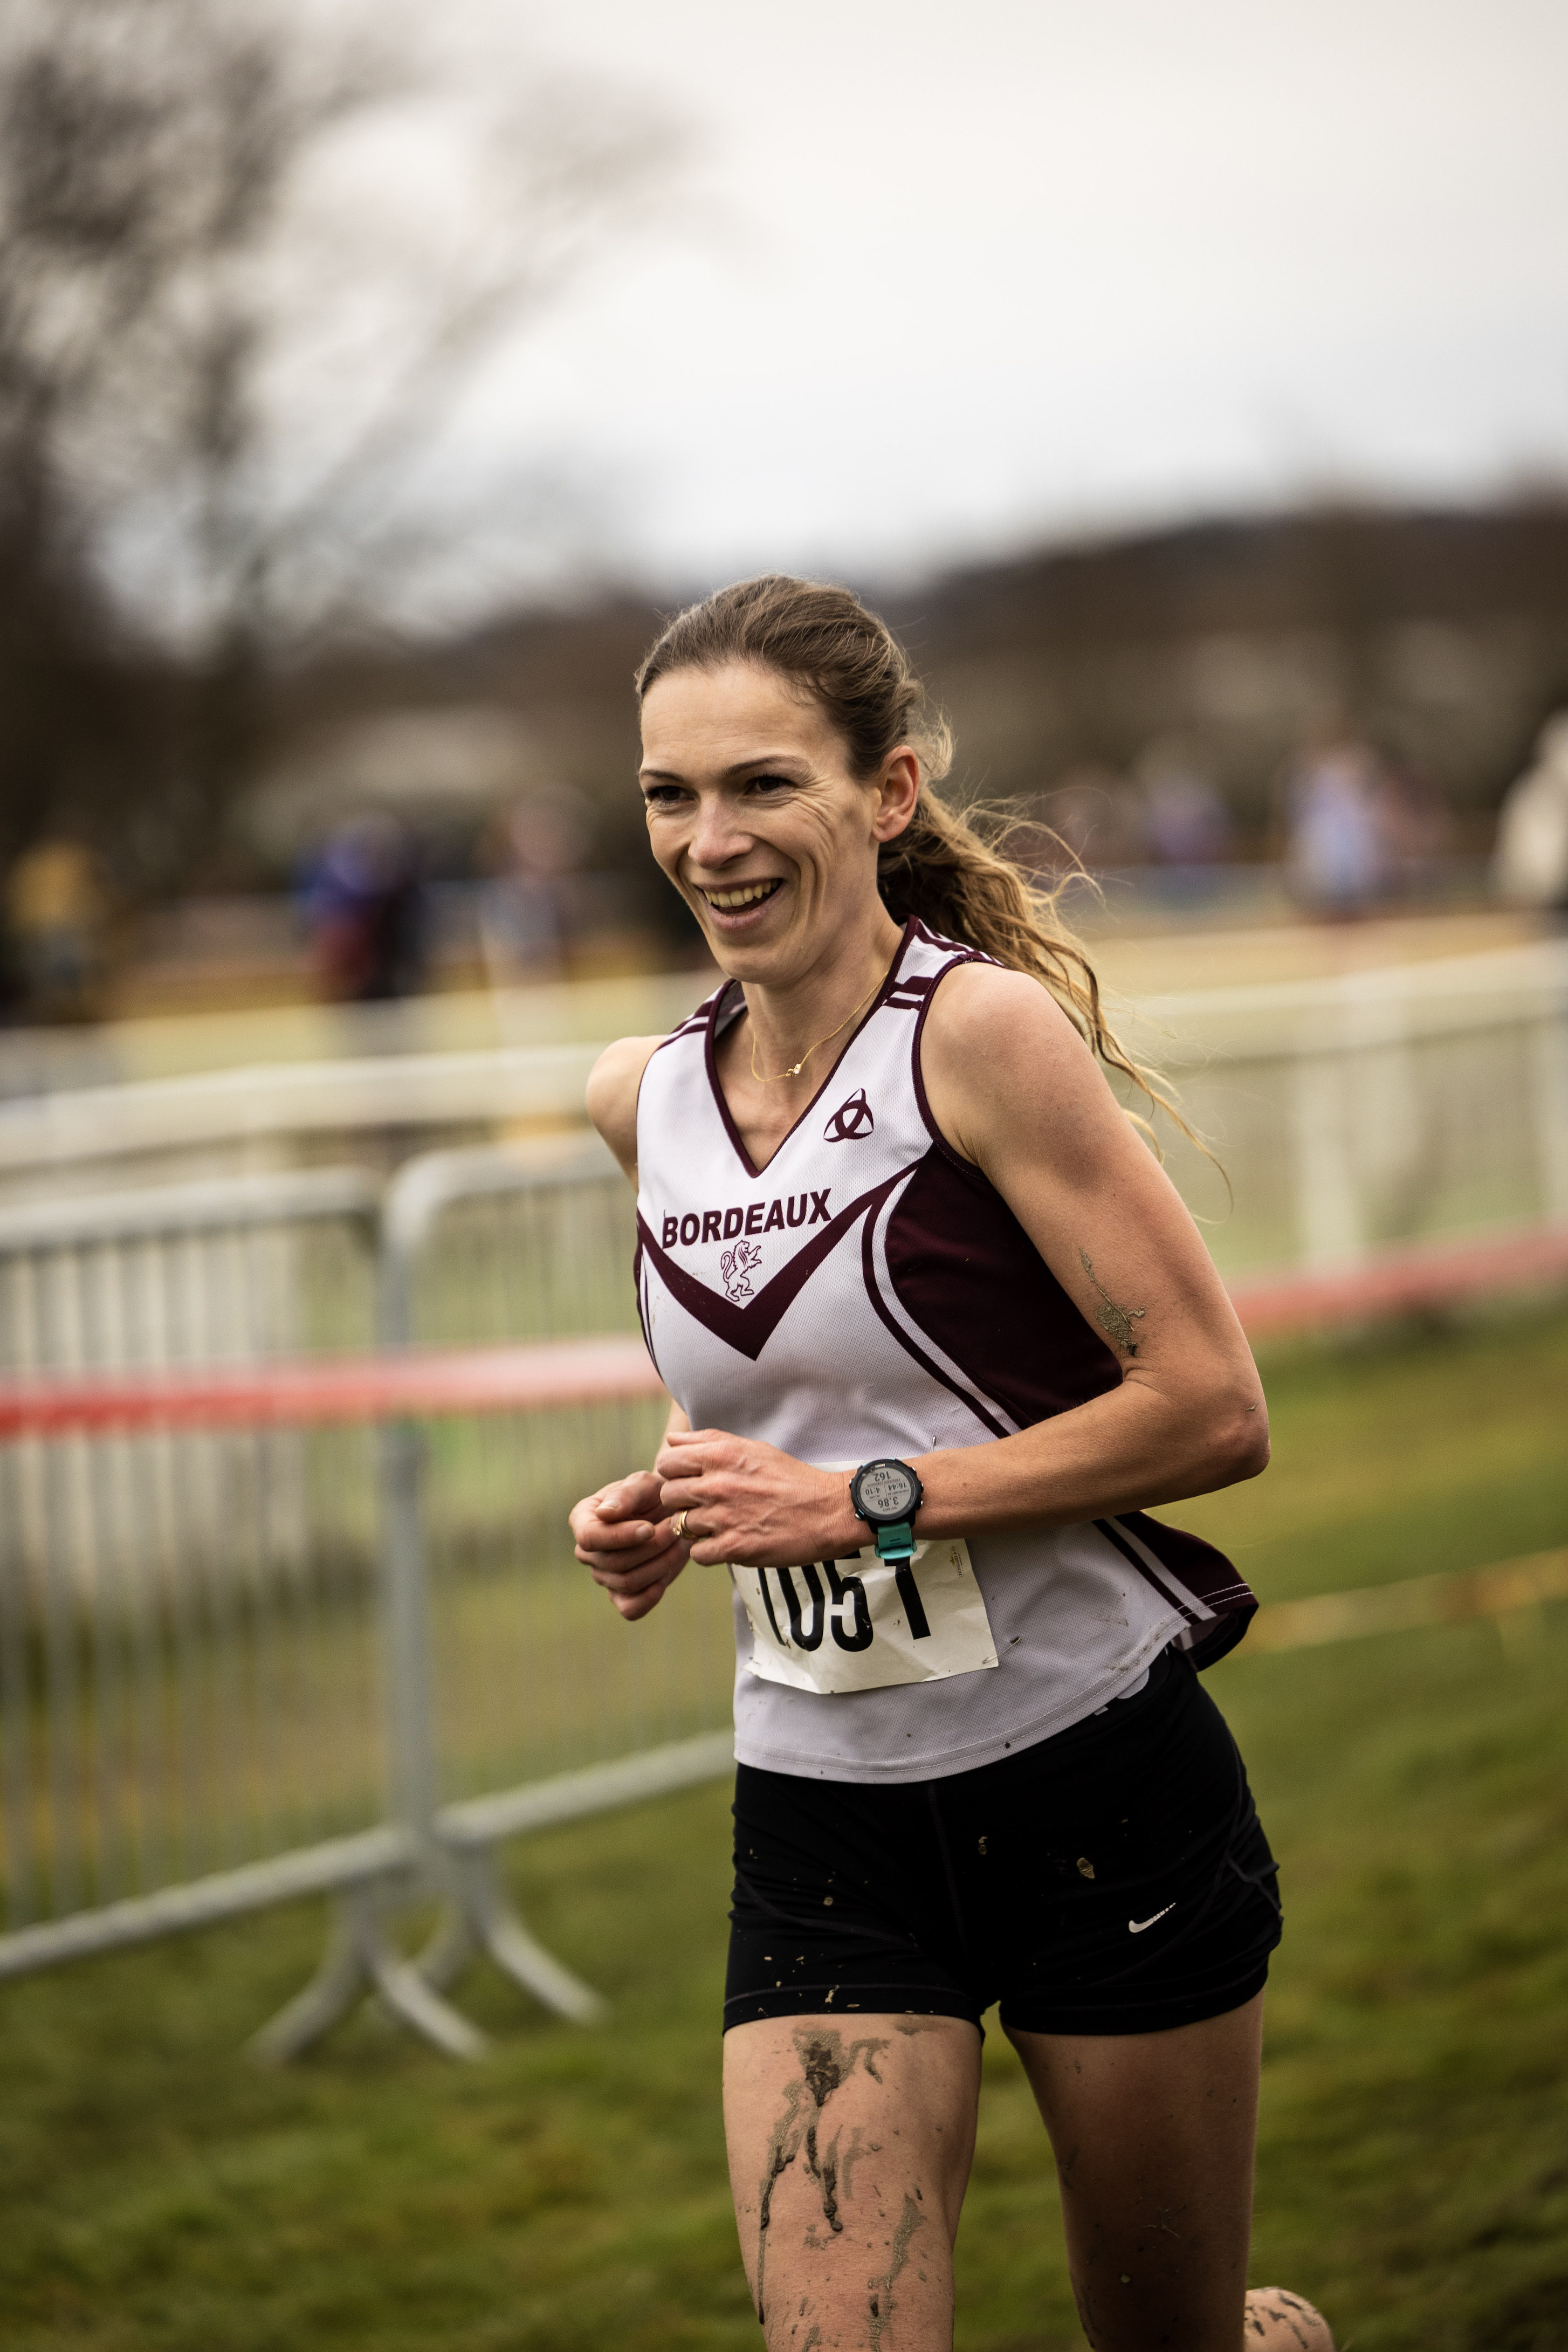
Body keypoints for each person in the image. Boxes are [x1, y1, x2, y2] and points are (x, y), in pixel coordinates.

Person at [569, 576, 1334, 2352]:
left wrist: (857, 1507)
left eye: (762, 784)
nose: (709, 838)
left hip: (1093, 1792)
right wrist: (662, 1501)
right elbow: (788, 1389)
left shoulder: (972, 1035)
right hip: (824, 1818)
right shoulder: (637, 1096)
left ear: (887, 792)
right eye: (668, 794)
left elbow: (1211, 1406)